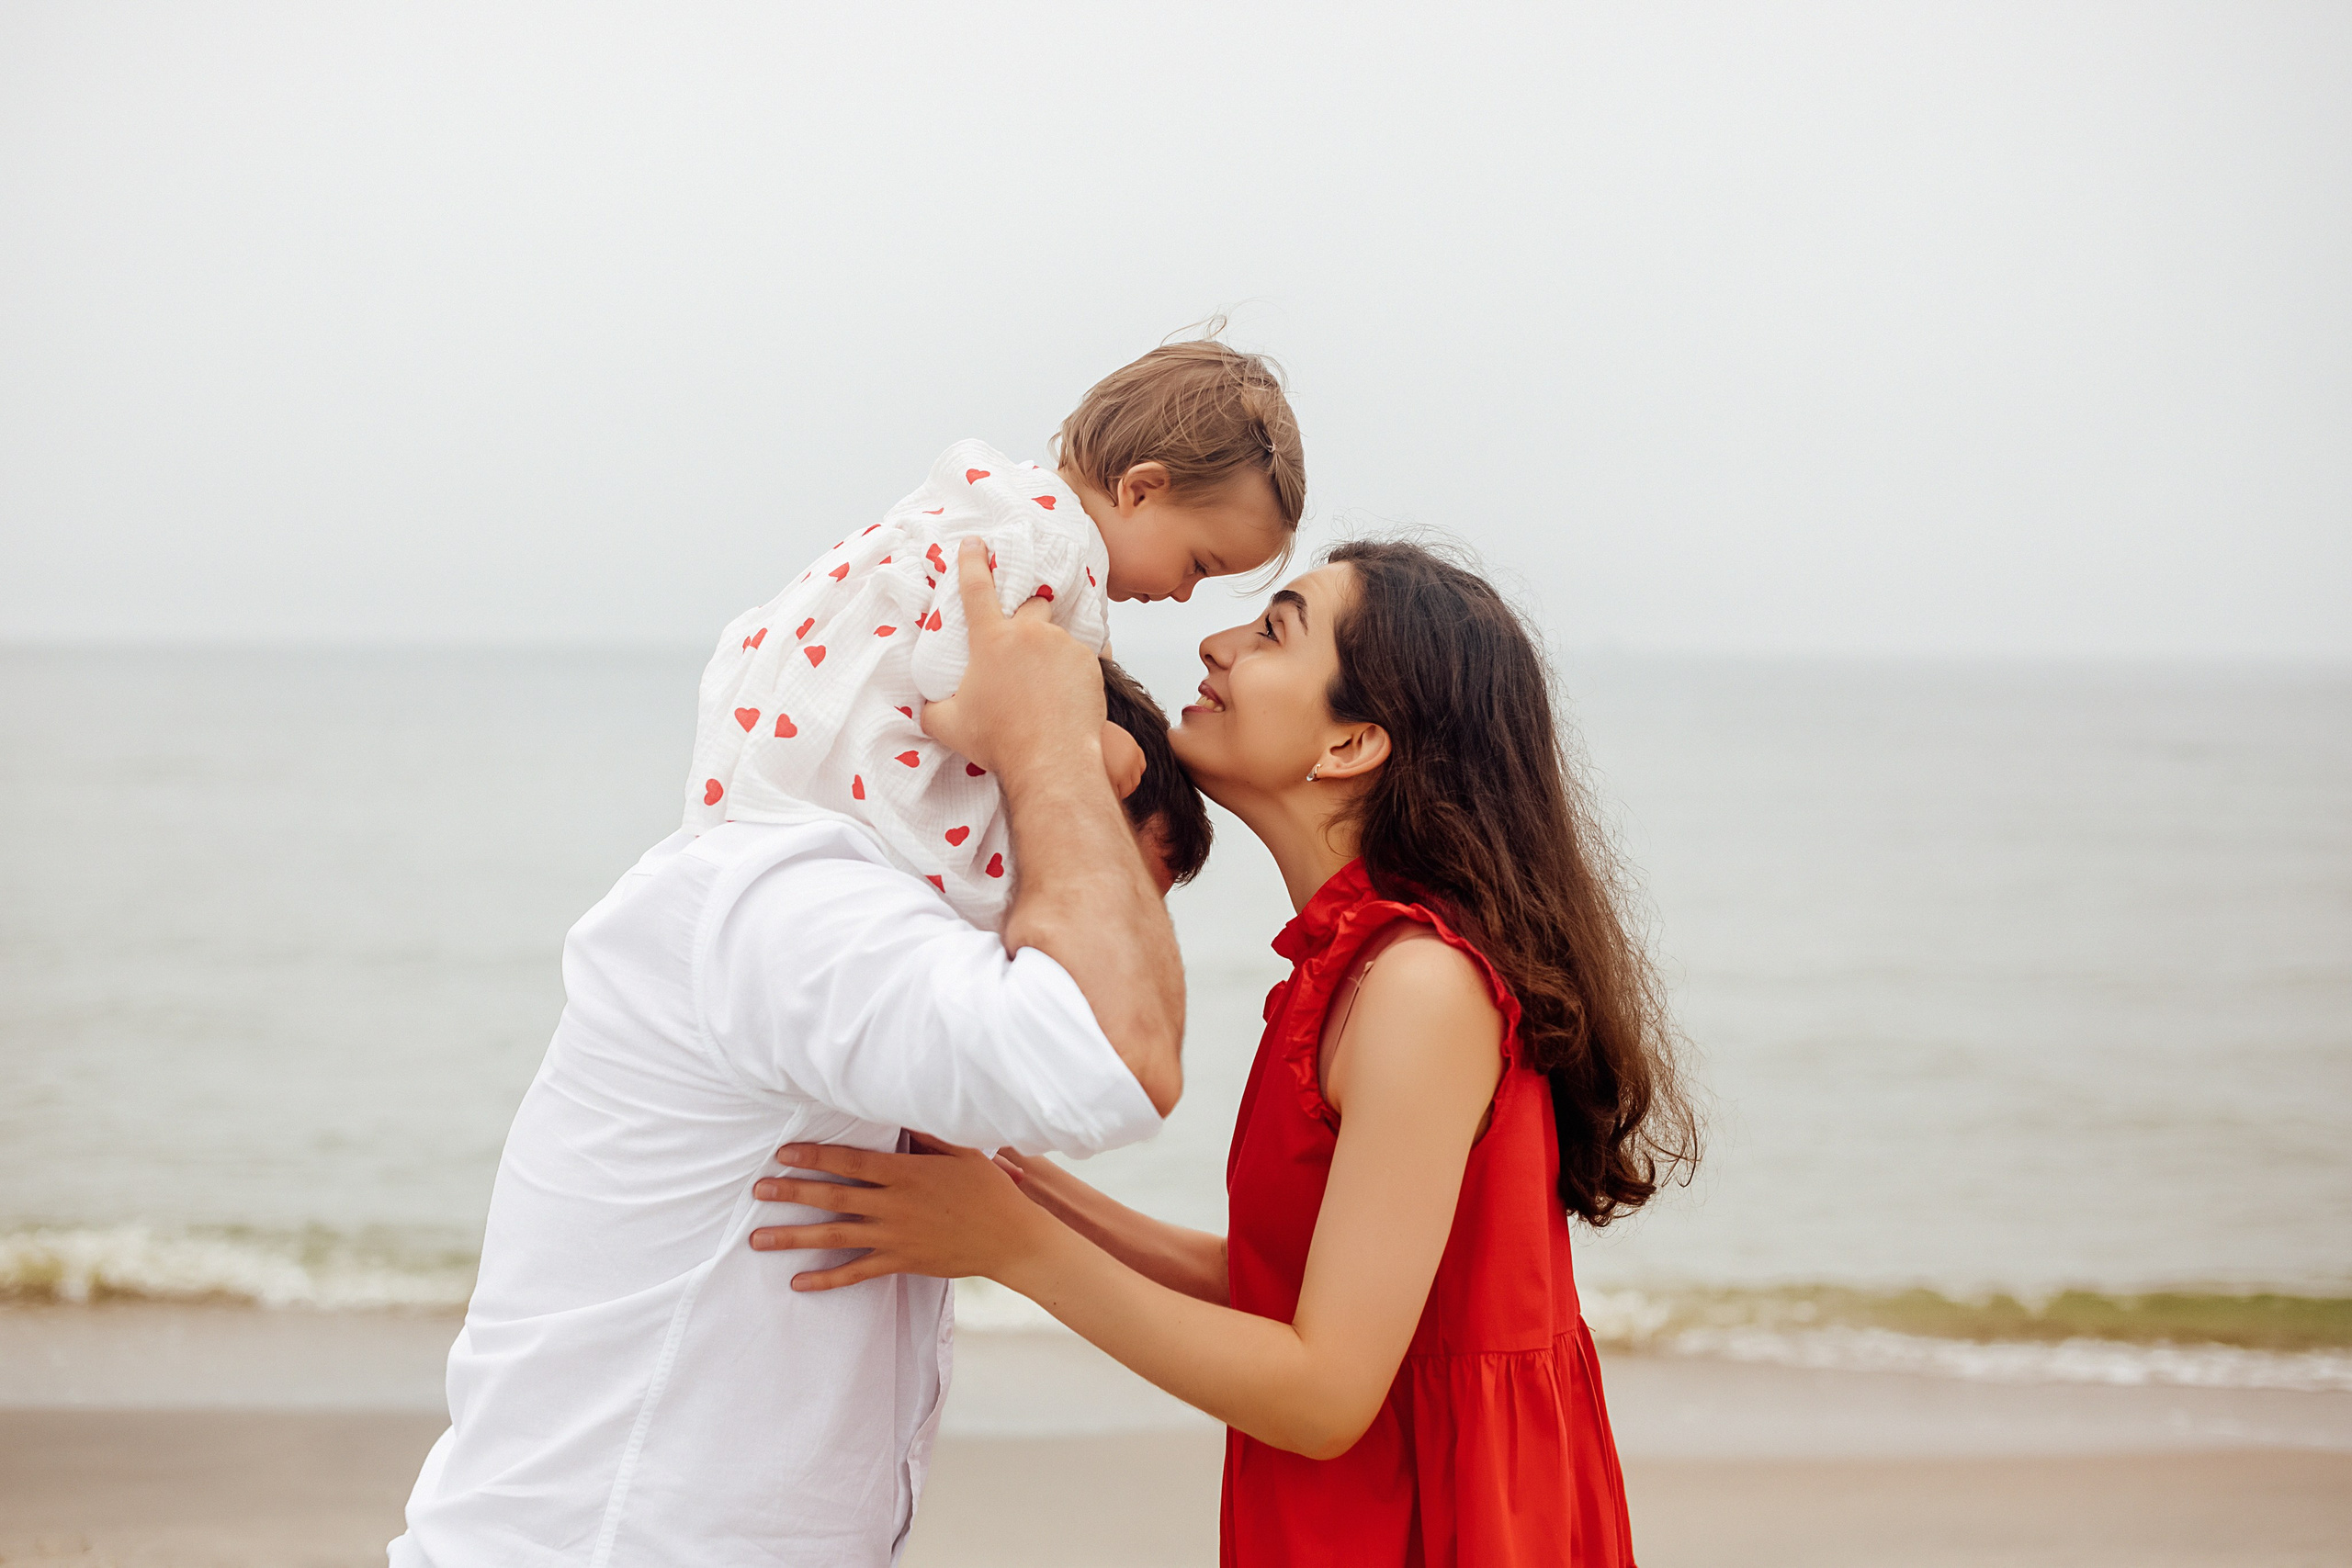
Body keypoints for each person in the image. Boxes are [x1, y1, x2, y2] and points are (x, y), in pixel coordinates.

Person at [749, 540, 1702, 1567]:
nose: (1212, 643)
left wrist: (1012, 1250)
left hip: (1442, 1521)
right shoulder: (1350, 968)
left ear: (1350, 747)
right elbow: (1272, 1287)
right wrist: (1024, 1193)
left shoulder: (1419, 989)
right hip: (1378, 1502)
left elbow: (1325, 1393)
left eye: (1271, 631)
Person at [389, 546, 1211, 1567]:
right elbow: (1108, 1063)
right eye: (1088, 884)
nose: (1082, 938)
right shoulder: (791, 910)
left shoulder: (851, 939)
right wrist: (1050, 747)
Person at [684, 334, 1303, 929]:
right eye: (1198, 563)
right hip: (861, 754)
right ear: (1139, 491)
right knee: (964, 892)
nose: (1184, 592)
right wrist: (1087, 739)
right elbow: (967, 670)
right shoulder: (1054, 546)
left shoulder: (1011, 507)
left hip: (782, 718)